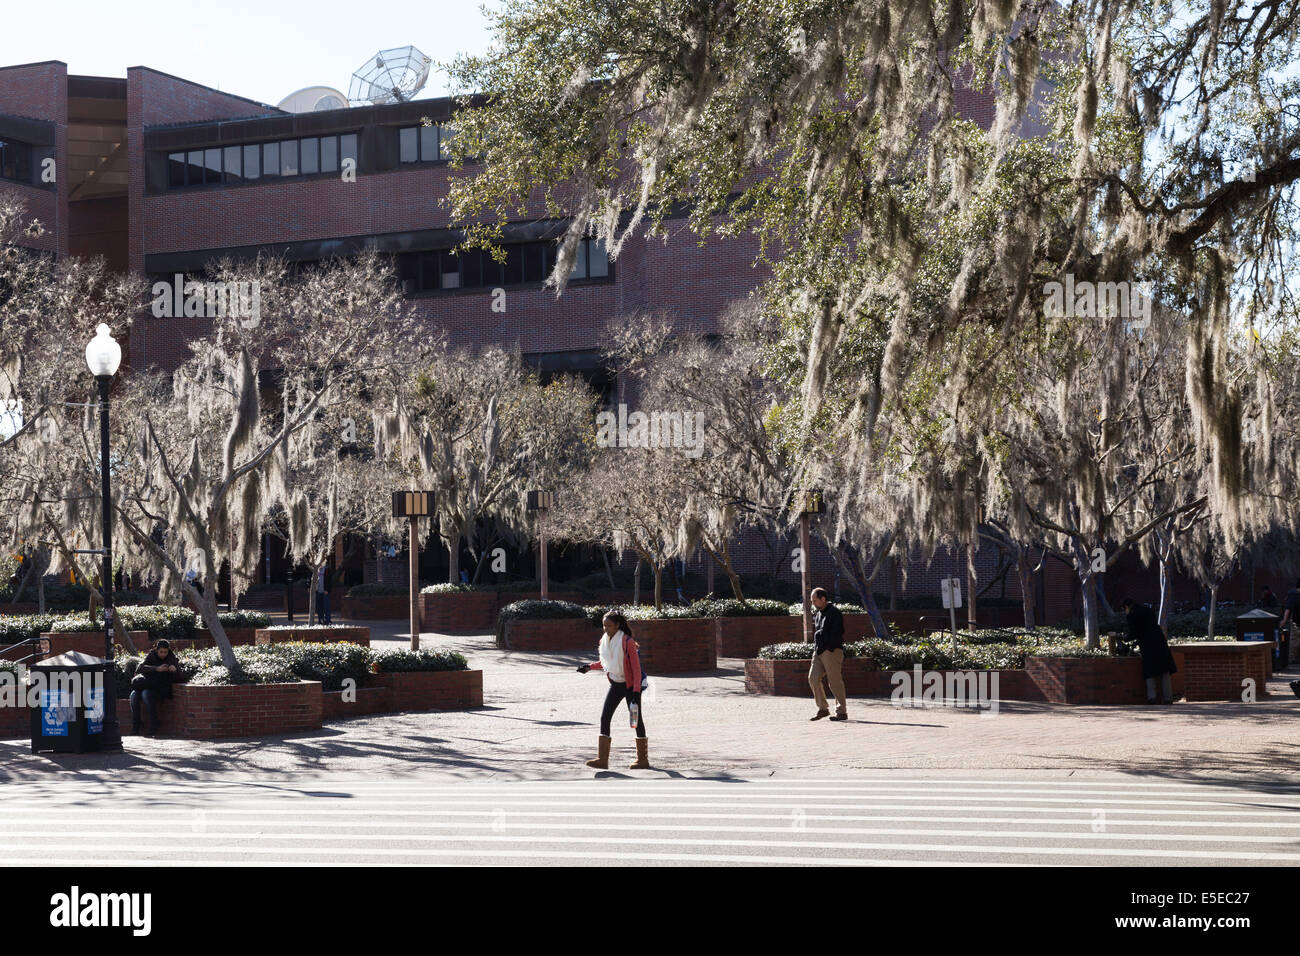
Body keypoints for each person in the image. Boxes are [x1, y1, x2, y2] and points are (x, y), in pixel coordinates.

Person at [576, 610, 649, 770]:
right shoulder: (605, 641)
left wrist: (636, 692)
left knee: (636, 720)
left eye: (609, 625)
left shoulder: (627, 641)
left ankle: (642, 760)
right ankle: (602, 759)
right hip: (616, 684)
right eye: (604, 625)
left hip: (631, 686)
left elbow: (636, 669)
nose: (606, 628)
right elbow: (605, 661)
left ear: (617, 625)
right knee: (605, 717)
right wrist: (589, 667)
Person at [1120, 598, 1178, 704]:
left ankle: (1152, 698)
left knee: (1149, 671)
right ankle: (1168, 698)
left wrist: (1124, 638)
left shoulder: (1131, 615)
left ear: (1126, 607)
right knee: (1164, 670)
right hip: (1159, 641)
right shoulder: (1147, 609)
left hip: (1147, 644)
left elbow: (1133, 632)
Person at [809, 587, 848, 721]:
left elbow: (838, 632)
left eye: (814, 600)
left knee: (834, 682)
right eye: (811, 601)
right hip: (819, 651)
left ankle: (841, 712)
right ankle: (823, 708)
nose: (812, 603)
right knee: (813, 678)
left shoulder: (834, 612)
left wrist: (829, 647)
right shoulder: (819, 613)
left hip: (831, 651)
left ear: (823, 599)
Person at [130, 640, 181, 735]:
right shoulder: (152, 655)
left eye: (165, 652)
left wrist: (174, 670)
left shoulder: (171, 657)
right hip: (148, 684)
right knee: (133, 695)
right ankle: (136, 725)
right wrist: (156, 669)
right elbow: (140, 668)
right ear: (157, 650)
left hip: (161, 688)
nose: (163, 654)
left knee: (145, 693)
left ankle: (154, 723)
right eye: (161, 652)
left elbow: (181, 677)